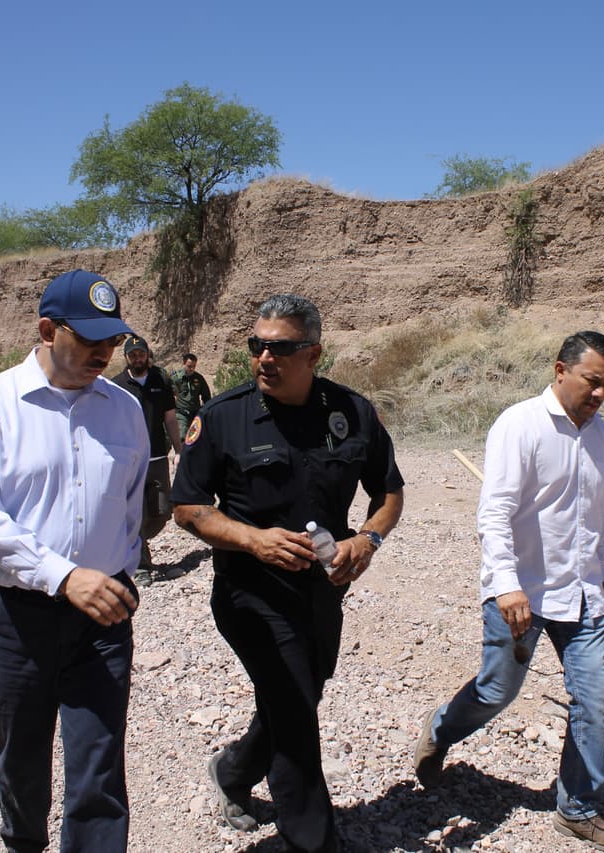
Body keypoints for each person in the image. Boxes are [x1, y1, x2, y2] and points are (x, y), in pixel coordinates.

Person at [171, 294, 404, 853]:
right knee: (297, 718)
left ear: (313, 353)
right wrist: (254, 539)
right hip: (250, 594)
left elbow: (390, 493)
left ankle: (230, 772)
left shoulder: (353, 413)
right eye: (257, 346)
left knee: (299, 694)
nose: (264, 359)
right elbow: (187, 508)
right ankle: (312, 840)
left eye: (280, 348)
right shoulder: (224, 416)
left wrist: (366, 540)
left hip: (322, 594)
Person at [414, 331, 604, 852]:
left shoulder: (601, 435)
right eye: (592, 381)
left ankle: (577, 810)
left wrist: (603, 572)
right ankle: (441, 731)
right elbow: (494, 514)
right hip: (523, 593)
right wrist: (508, 585)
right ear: (560, 370)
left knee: (594, 698)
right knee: (497, 692)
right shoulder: (520, 424)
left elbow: (599, 516)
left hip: (581, 595)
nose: (600, 393)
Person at [0, 269, 148, 852]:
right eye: (90, 340)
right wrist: (63, 576)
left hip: (103, 616)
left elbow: (131, 505)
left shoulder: (125, 409)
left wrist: (117, 572)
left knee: (100, 762)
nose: (105, 353)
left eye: (112, 341)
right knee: (21, 753)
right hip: (15, 616)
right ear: (46, 329)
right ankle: (22, 842)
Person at [111, 335, 185, 587]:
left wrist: (179, 449)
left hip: (157, 456)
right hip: (130, 460)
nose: (137, 358)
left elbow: (171, 418)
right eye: (132, 355)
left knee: (163, 511)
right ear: (126, 358)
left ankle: (138, 542)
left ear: (147, 354)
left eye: (140, 353)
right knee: (137, 513)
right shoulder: (117, 385)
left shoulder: (160, 381)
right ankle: (141, 564)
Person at [171, 352, 212, 453]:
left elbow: (206, 396)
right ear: (184, 364)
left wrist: (207, 411)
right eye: (189, 366)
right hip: (181, 413)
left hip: (195, 413)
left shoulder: (199, 378)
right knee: (182, 436)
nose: (192, 369)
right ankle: (180, 458)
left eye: (194, 366)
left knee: (196, 438)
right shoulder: (176, 378)